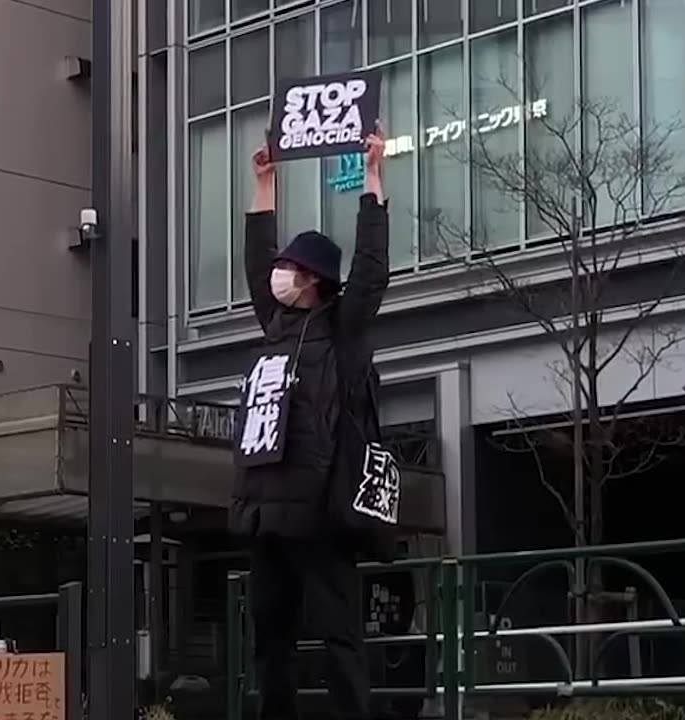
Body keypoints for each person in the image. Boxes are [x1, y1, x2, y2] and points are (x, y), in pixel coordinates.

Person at [230, 129, 390, 720]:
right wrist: (264, 184)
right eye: (281, 264)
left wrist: (374, 179)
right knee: (269, 638)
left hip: (320, 512)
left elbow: (372, 272)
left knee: (338, 634)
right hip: (266, 512)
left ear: (315, 279)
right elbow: (254, 262)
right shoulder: (275, 327)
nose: (278, 274)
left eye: (291, 267)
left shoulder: (341, 331)